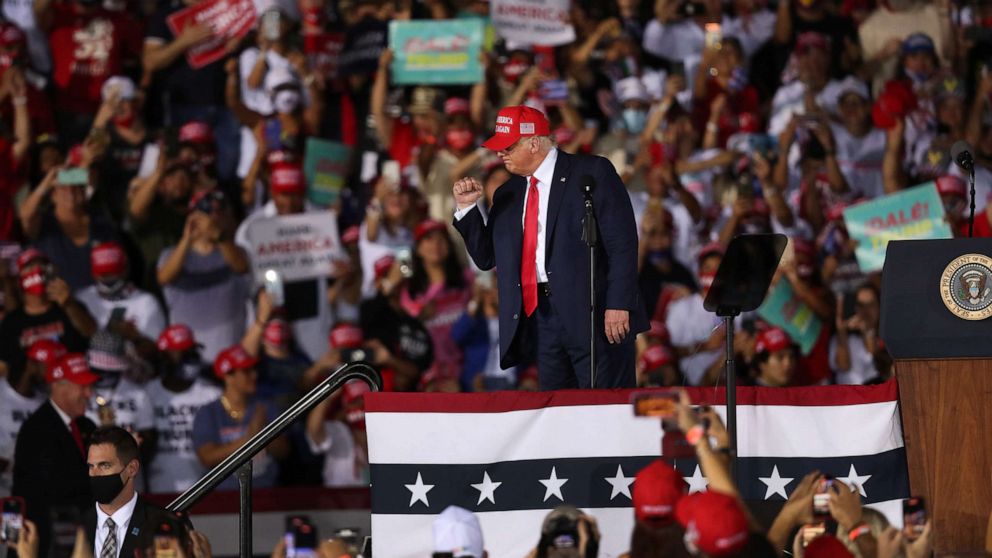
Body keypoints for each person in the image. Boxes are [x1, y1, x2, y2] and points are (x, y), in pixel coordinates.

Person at [453, 105, 648, 389]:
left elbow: (622, 244)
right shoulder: (508, 193)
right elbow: (486, 258)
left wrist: (619, 303)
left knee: (606, 407)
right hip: (541, 318)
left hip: (595, 313)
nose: (500, 154)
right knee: (557, 412)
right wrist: (468, 209)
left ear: (534, 143)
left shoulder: (591, 172)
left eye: (508, 146)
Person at [12, 353, 98, 557]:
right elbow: (51, 486)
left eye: (90, 387)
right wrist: (102, 473)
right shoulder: (37, 429)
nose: (89, 394)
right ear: (59, 387)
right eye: (82, 386)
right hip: (46, 543)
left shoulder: (85, 426)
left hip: (77, 537)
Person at [191, 344, 289, 491]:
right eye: (246, 371)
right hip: (224, 497)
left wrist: (264, 437)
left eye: (254, 369)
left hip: (265, 493)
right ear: (228, 376)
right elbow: (207, 457)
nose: (254, 375)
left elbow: (285, 451)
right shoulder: (208, 412)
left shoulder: (266, 407)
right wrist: (252, 438)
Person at [82, 426, 190, 558]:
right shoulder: (74, 526)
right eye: (91, 466)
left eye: (105, 465)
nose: (95, 474)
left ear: (132, 468)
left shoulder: (166, 525)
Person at [146, 324, 221, 494]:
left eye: (192, 352)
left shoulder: (212, 394)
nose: (190, 358)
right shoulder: (148, 393)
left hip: (208, 491)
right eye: (183, 353)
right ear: (164, 357)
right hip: (161, 490)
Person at [0, 249, 94, 377]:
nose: (38, 270)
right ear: (19, 279)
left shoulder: (68, 307)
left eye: (42, 265)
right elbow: (4, 365)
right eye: (30, 267)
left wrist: (69, 304)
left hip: (70, 382)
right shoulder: (12, 321)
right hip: (33, 389)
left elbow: (90, 332)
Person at [74, 241, 166, 348]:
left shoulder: (146, 303)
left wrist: (135, 337)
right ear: (94, 273)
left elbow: (158, 352)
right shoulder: (81, 298)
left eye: (113, 273)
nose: (108, 279)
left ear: (126, 269)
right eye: (103, 274)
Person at [0, 339, 61, 497]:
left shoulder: (46, 404)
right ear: (32, 364)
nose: (53, 376)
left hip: (33, 491)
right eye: (50, 368)